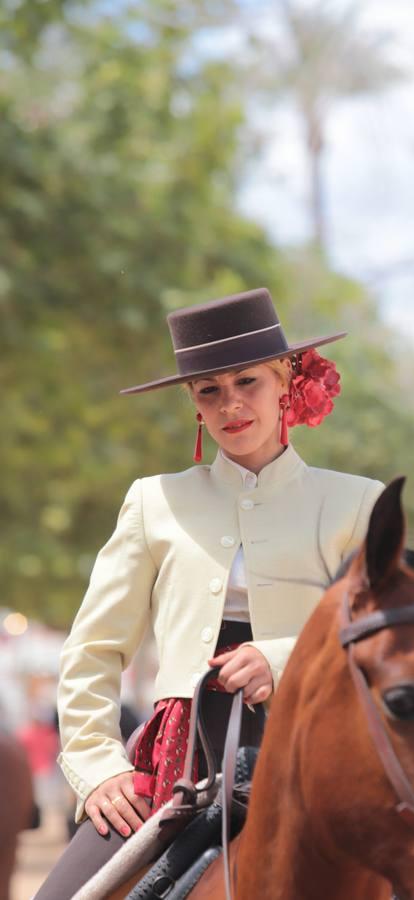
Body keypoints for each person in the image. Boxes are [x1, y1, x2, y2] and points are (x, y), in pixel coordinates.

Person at [36, 287, 383, 898]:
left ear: (285, 381)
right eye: (209, 391)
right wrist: (97, 768)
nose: (231, 405)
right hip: (175, 764)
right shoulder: (153, 501)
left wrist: (278, 658)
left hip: (320, 750)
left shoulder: (359, 502)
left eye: (247, 382)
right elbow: (92, 649)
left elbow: (388, 636)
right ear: (194, 404)